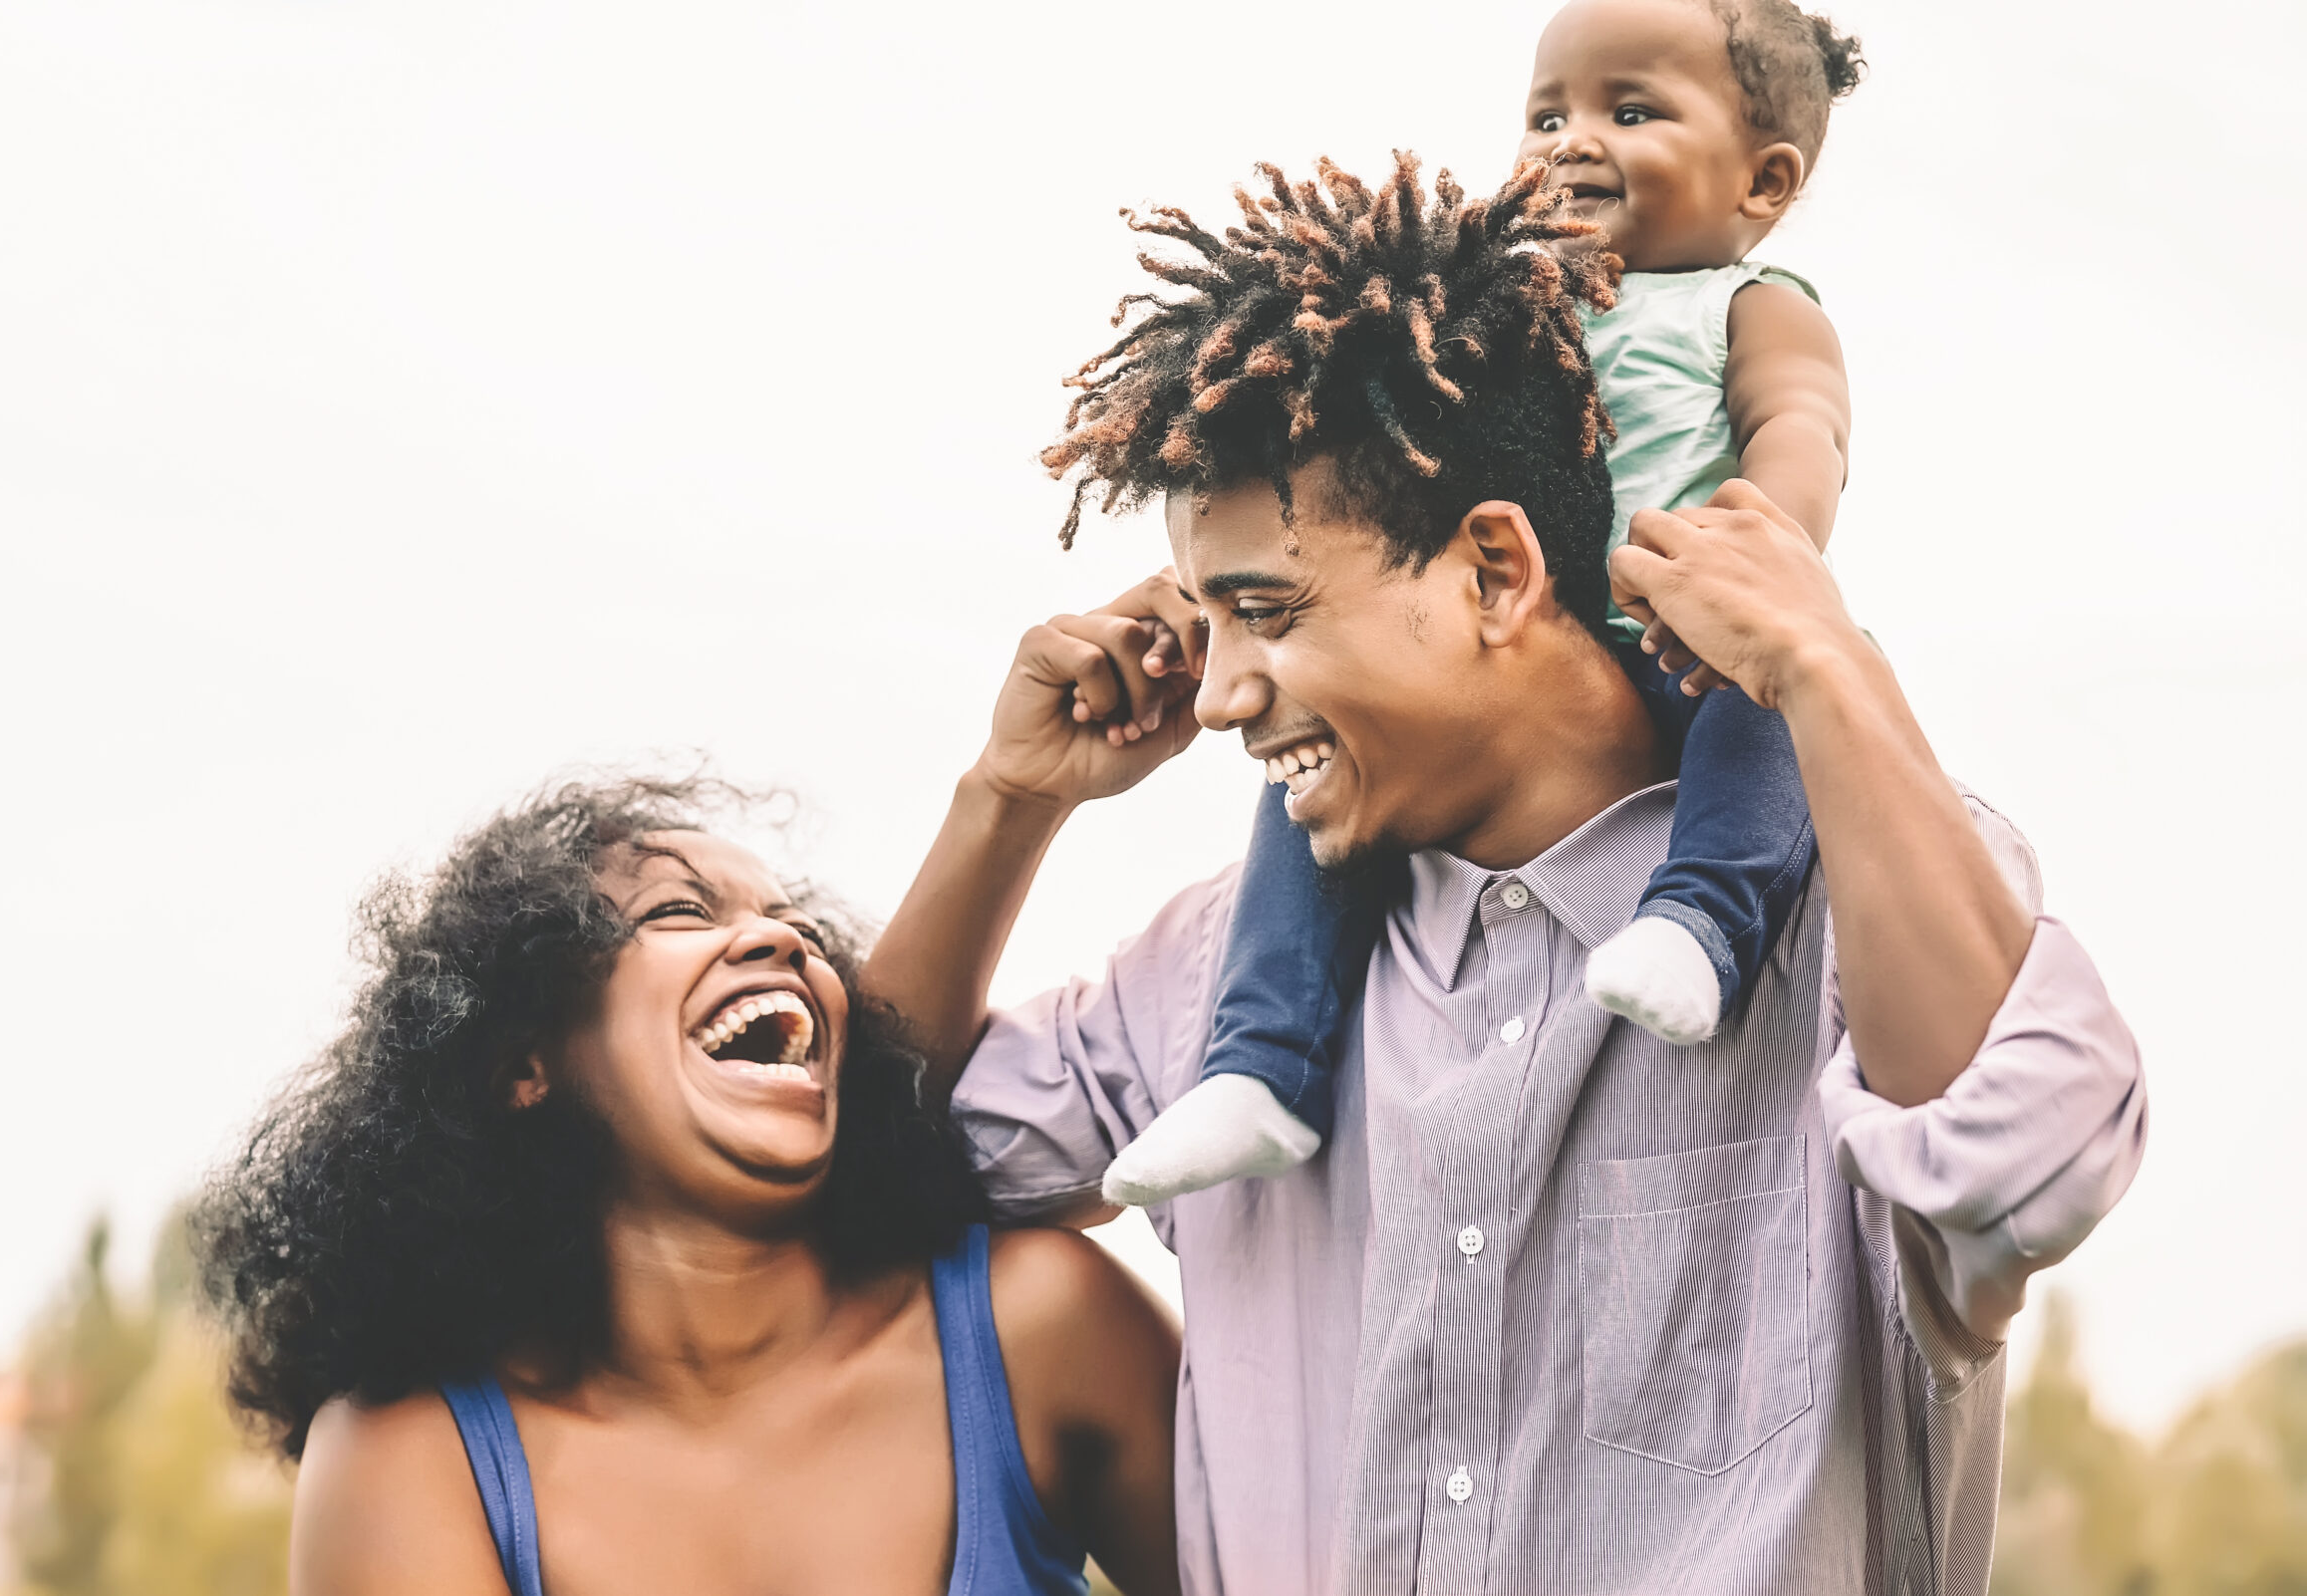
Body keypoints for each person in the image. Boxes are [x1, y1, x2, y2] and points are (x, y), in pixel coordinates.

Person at [863, 154, 2145, 1593]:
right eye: (1205, 622)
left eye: (1265, 612)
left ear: (1493, 573)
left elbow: (2032, 1170)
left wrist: (1824, 673)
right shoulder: (1207, 979)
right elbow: (870, 1173)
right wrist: (1007, 801)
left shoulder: (1854, 898)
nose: (1219, 694)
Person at [1104, 0, 1870, 1206]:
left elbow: (1801, 428)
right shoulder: (1511, 312)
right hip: (1528, 641)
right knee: (1307, 791)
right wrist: (1238, 600)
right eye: (1546, 112)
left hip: (1698, 623)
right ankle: (1260, 1064)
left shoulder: (1752, 304)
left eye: (1630, 111)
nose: (1570, 140)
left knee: (1763, 723)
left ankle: (1702, 927)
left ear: (1762, 181)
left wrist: (1758, 550)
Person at [194, 779, 1181, 1596]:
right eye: (675, 912)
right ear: (521, 1062)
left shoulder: (1042, 1325)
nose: (782, 943)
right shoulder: (408, 1455)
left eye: (794, 926)